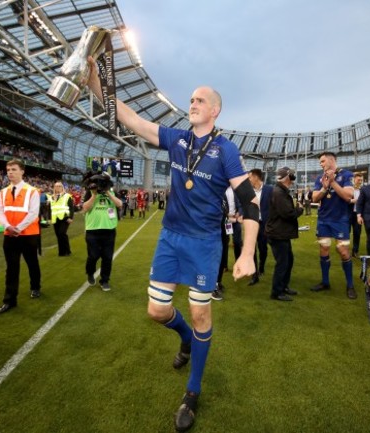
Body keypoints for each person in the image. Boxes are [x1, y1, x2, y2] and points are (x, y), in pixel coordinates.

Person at [87, 57, 259, 432]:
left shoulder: (225, 150)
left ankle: (192, 393)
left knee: (201, 314)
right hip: (170, 238)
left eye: (199, 100)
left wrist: (246, 253)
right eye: (191, 100)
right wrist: (95, 82)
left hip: (203, 243)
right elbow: (131, 119)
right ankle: (184, 339)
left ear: (213, 110)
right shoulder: (177, 139)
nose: (192, 104)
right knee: (157, 312)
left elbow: (250, 201)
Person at [0, 159, 42, 314]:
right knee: (11, 268)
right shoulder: (2, 192)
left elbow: (33, 213)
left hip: (28, 234)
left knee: (32, 263)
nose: (10, 172)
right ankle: (9, 300)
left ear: (22, 171)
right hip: (10, 235)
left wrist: (19, 228)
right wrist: (8, 227)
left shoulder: (32, 191)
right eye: (8, 170)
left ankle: (35, 287)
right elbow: (0, 212)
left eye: (13, 169)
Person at [311, 152, 356, 299]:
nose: (321, 164)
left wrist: (333, 182)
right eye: (320, 162)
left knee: (343, 251)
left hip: (340, 220)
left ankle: (350, 285)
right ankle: (325, 282)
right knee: (324, 248)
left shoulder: (347, 175)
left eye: (323, 161)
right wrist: (324, 188)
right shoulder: (320, 178)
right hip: (324, 219)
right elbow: (315, 198)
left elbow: (348, 196)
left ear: (332, 160)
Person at [266, 167, 303, 301]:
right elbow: (288, 214)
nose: (294, 177)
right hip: (277, 234)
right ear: (287, 177)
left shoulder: (280, 191)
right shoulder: (279, 192)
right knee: (282, 263)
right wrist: (299, 209)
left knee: (288, 261)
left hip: (281, 233)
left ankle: (283, 286)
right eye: (292, 175)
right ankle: (276, 292)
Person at [83, 172, 122, 291]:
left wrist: (108, 192)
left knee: (107, 257)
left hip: (109, 230)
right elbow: (85, 208)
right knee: (93, 256)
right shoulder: (89, 192)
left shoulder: (112, 191)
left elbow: (119, 204)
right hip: (92, 230)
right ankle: (90, 272)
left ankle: (104, 280)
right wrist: (94, 195)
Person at [247, 168, 272, 286]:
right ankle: (254, 274)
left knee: (263, 248)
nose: (249, 179)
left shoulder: (269, 190)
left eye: (250, 177)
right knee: (251, 249)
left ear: (256, 177)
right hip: (252, 223)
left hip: (264, 224)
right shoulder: (248, 191)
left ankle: (261, 266)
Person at [49, 181, 74, 257]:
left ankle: (68, 251)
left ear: (62, 187)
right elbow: (51, 208)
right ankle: (61, 252)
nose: (58, 187)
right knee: (58, 235)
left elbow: (71, 208)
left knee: (62, 233)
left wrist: (71, 217)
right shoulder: (52, 197)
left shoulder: (67, 196)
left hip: (65, 218)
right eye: (56, 186)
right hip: (55, 219)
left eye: (59, 186)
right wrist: (50, 218)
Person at [349, 173, 363, 257]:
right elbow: (345, 199)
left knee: (357, 233)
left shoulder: (363, 190)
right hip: (349, 214)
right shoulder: (349, 189)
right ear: (354, 180)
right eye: (358, 180)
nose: (360, 182)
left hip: (358, 214)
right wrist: (352, 200)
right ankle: (345, 249)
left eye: (361, 180)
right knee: (347, 233)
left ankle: (355, 251)